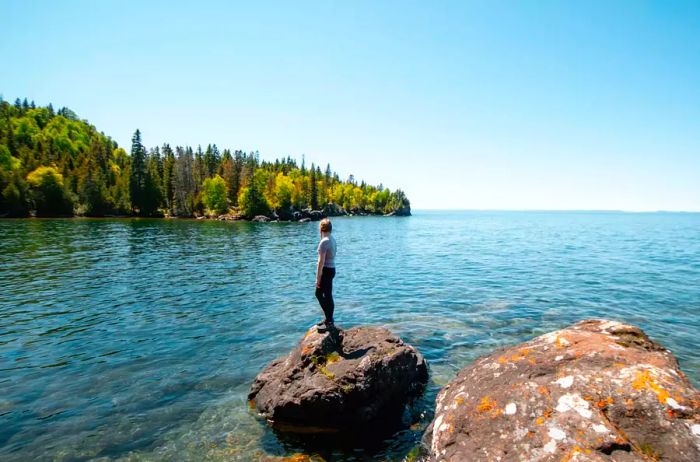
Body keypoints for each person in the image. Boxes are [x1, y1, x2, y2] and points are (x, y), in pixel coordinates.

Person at [315, 218, 337, 332]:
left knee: (319, 294)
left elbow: (321, 261)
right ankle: (328, 319)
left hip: (326, 270)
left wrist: (318, 277)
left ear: (321, 229)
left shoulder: (324, 241)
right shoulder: (332, 239)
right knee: (328, 295)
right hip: (332, 269)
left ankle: (329, 320)